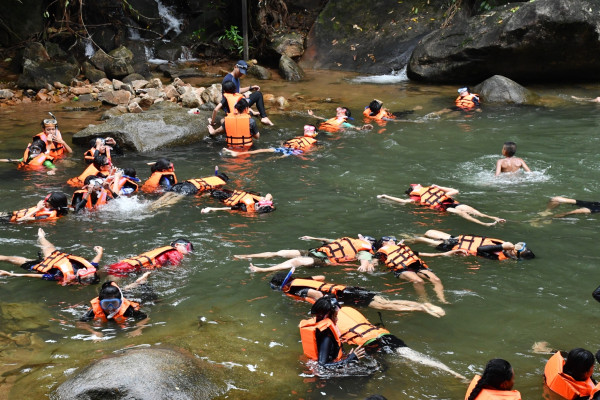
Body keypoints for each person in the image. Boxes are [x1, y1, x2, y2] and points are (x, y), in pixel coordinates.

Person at [335, 304, 466, 379]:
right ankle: (452, 372)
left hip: (368, 344)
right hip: (385, 336)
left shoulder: (330, 321)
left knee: (380, 363)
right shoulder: (349, 309)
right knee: (414, 356)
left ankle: (401, 363)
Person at [269, 270, 446, 317]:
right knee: (387, 302)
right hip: (349, 289)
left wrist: (325, 311)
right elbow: (321, 278)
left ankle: (422, 309)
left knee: (386, 307)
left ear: (283, 286)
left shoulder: (297, 289)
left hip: (347, 296)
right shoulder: (300, 280)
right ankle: (423, 304)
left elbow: (318, 296)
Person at [374, 236, 464, 304]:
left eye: (393, 239)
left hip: (417, 266)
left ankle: (442, 300)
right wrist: (371, 264)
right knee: (418, 281)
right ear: (382, 244)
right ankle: (425, 301)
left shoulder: (404, 250)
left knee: (436, 279)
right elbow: (374, 261)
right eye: (387, 240)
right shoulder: (381, 253)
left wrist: (450, 252)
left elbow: (432, 255)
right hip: (401, 270)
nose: (392, 240)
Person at [0, 228, 101, 285]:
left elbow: (36, 275)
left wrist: (11, 274)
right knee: (48, 246)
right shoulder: (89, 268)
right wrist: (99, 253)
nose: (84, 270)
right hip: (56, 258)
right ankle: (41, 237)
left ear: (77, 279)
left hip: (42, 265)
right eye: (88, 271)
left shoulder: (59, 276)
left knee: (9, 259)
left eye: (83, 273)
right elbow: (94, 263)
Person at [377, 184, 506, 226]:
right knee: (460, 212)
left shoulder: (432, 190)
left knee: (474, 211)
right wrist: (385, 196)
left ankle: (493, 218)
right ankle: (483, 224)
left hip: (452, 203)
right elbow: (403, 201)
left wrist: (439, 187)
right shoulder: (416, 198)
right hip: (445, 208)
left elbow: (455, 191)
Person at [235, 234, 375, 273]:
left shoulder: (364, 250)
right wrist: (312, 238)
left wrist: (364, 266)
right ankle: (247, 256)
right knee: (281, 252)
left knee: (297, 261)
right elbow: (329, 241)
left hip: (325, 261)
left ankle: (262, 269)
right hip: (315, 252)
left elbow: (364, 259)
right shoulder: (349, 241)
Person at [298, 296, 366, 369]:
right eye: (335, 316)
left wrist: (346, 357)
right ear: (327, 317)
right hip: (324, 373)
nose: (337, 319)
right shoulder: (326, 337)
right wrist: (349, 360)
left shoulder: (321, 331)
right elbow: (322, 365)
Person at [413, 230, 535, 261]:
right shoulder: (504, 244)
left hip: (454, 247)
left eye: (516, 250)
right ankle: (411, 237)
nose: (514, 247)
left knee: (421, 239)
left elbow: (480, 249)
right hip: (460, 239)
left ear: (515, 256)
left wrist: (502, 247)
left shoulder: (498, 257)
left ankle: (408, 240)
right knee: (429, 232)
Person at [219, 60, 273, 125]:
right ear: (235, 67)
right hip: (232, 107)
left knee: (256, 94)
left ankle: (252, 112)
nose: (241, 74)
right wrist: (244, 96)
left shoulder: (236, 77)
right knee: (258, 95)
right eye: (240, 71)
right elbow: (230, 98)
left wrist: (250, 88)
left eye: (242, 72)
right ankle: (264, 117)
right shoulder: (229, 79)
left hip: (236, 104)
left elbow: (238, 90)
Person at [149, 170, 229, 211]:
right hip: (190, 188)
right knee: (174, 199)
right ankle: (154, 209)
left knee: (169, 194)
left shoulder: (211, 178)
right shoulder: (220, 184)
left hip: (184, 184)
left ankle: (152, 205)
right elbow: (209, 194)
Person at [107, 238, 193, 275]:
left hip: (126, 264)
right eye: (187, 248)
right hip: (129, 268)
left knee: (105, 271)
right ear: (177, 245)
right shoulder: (175, 252)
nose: (188, 251)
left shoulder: (165, 249)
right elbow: (175, 269)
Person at [222, 124, 319, 157]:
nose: (307, 130)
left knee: (275, 156)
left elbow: (309, 150)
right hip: (290, 149)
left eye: (310, 129)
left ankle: (238, 154)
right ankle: (237, 154)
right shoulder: (301, 138)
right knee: (265, 151)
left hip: (293, 150)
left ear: (314, 133)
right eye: (306, 128)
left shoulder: (313, 141)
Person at [1, 192, 69, 223]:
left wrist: (37, 209)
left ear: (53, 204)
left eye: (47, 201)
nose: (44, 201)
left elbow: (20, 220)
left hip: (11, 221)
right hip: (13, 214)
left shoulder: (46, 216)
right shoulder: (49, 207)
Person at [201, 190, 274, 214]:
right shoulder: (262, 202)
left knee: (216, 193)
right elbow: (269, 194)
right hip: (232, 195)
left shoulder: (246, 208)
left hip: (232, 197)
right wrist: (267, 199)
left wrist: (210, 208)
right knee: (213, 193)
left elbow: (228, 208)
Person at [308, 107, 373, 132]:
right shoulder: (333, 119)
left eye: (342, 110)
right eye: (339, 109)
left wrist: (362, 128)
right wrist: (313, 115)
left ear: (345, 115)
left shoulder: (344, 123)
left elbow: (354, 127)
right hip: (321, 131)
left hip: (328, 135)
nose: (339, 111)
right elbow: (323, 119)